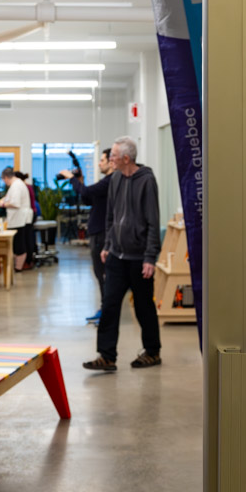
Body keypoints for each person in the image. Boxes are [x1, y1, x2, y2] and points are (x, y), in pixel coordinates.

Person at [84, 137, 162, 371]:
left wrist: (150, 257)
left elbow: (153, 221)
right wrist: (108, 245)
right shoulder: (116, 179)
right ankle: (107, 356)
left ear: (126, 158)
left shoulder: (147, 180)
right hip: (117, 256)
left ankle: (152, 352)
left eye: (114, 156)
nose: (110, 159)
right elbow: (111, 216)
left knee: (143, 307)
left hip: (139, 259)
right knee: (110, 304)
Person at [67, 148, 113, 322]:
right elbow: (88, 199)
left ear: (111, 162)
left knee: (103, 275)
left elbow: (86, 192)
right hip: (96, 232)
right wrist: (80, 181)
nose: (99, 163)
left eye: (102, 160)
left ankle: (106, 312)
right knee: (99, 274)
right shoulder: (105, 181)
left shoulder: (110, 181)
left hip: (102, 233)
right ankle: (104, 308)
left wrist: (71, 179)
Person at [0, 166, 33, 271]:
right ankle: (17, 266)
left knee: (19, 245)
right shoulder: (17, 184)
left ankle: (18, 267)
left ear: (6, 178)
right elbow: (10, 197)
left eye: (3, 180)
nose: (4, 182)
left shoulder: (16, 186)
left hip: (19, 219)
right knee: (19, 243)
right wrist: (3, 200)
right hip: (19, 218)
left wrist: (3, 204)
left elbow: (15, 203)